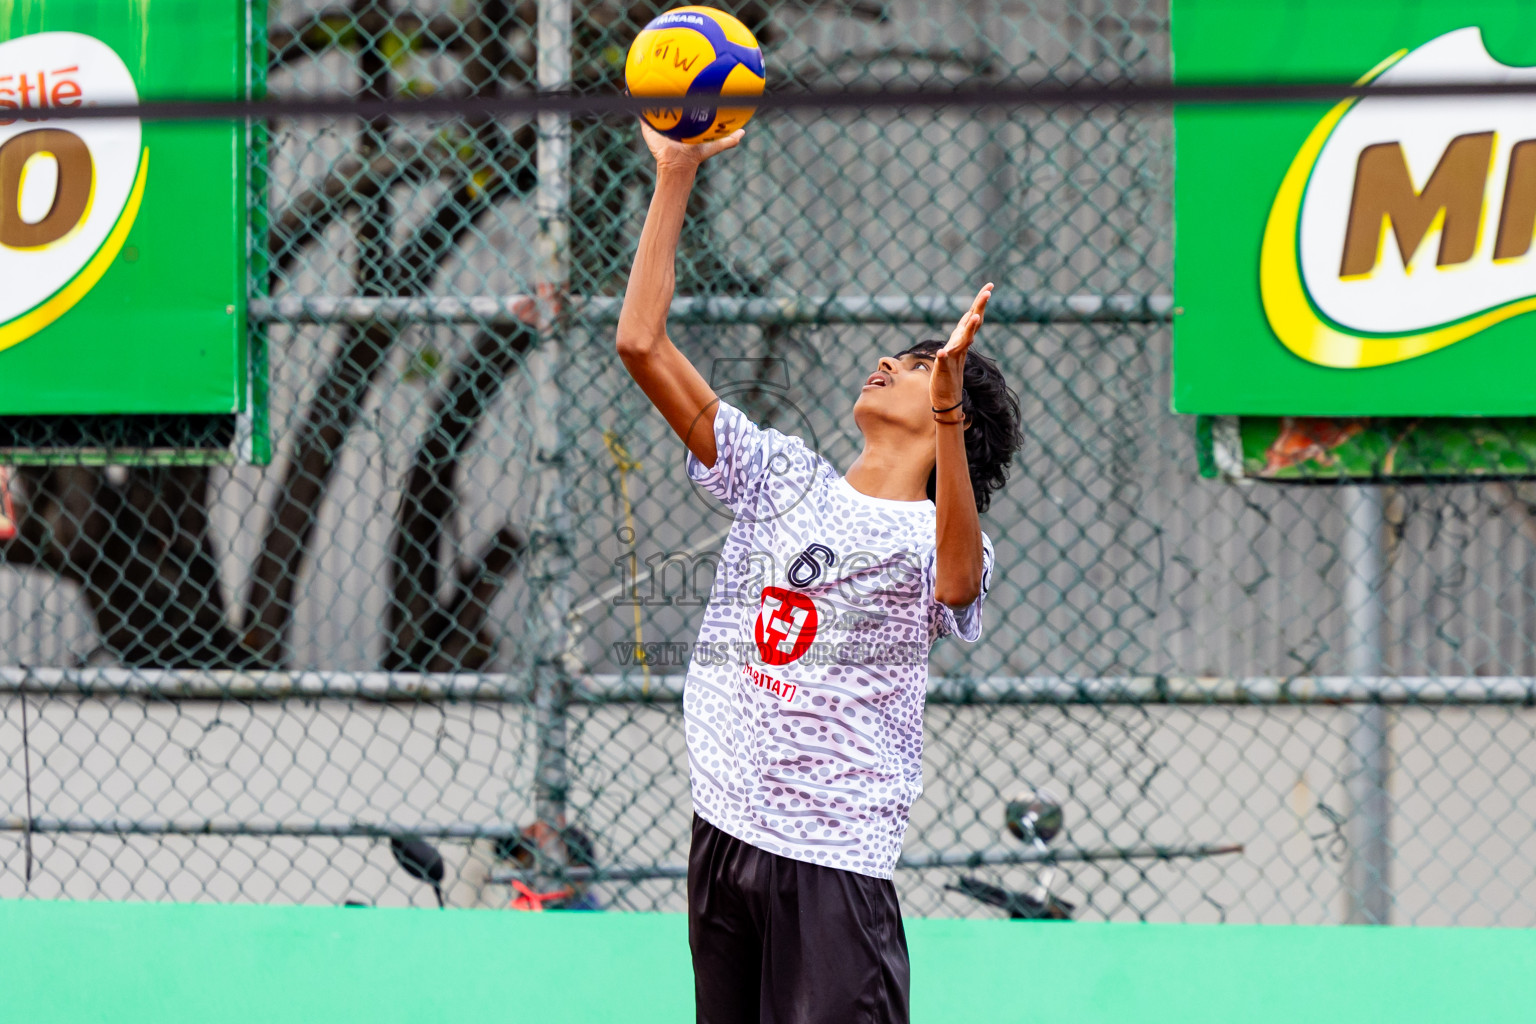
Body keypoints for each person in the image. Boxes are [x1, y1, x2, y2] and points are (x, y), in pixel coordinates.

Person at [615, 122, 1022, 1024]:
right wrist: (675, 173)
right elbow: (641, 343)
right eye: (904, 356)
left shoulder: (934, 536)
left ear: (952, 414)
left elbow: (957, 585)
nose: (891, 363)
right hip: (722, 832)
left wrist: (951, 410)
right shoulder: (781, 475)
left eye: (920, 366)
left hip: (831, 864)